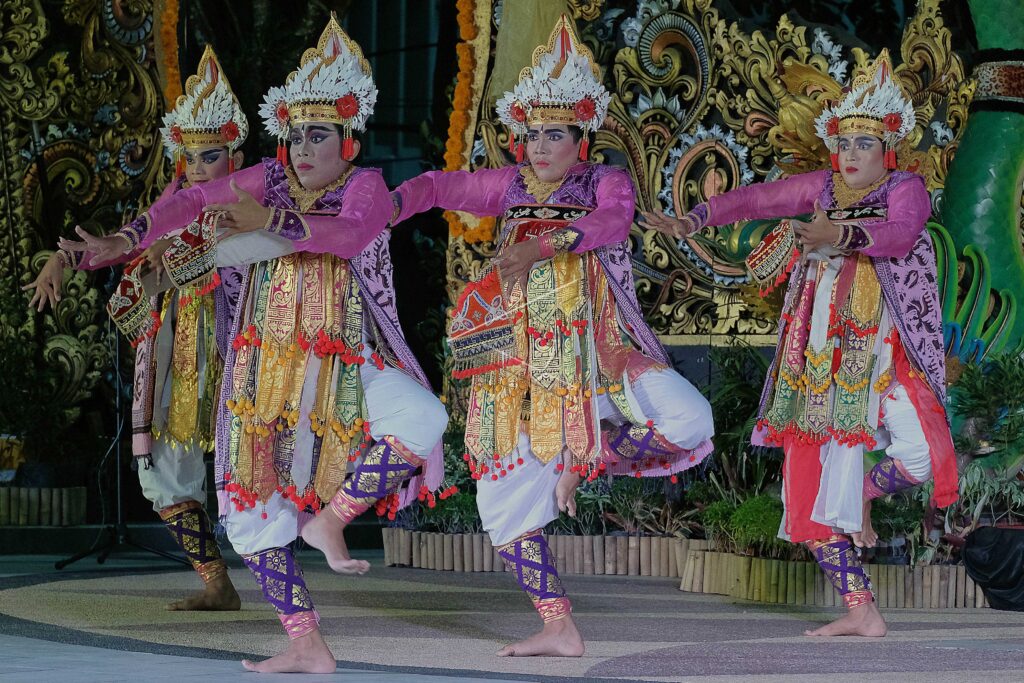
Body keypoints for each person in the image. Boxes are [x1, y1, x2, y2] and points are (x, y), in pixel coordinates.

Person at [55, 16, 448, 672]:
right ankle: (305, 640)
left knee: (422, 418)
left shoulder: (365, 187)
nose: (301, 147)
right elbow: (194, 201)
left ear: (349, 142)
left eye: (317, 134)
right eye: (294, 134)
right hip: (262, 376)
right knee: (247, 518)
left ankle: (335, 516)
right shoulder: (268, 181)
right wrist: (125, 241)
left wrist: (270, 218)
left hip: (341, 368)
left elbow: (346, 237)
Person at [391, 14, 714, 657]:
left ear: (581, 136)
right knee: (501, 511)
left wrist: (543, 245)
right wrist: (387, 204)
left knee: (691, 417)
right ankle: (558, 625)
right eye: (532, 133)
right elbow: (436, 186)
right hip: (521, 371)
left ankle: (586, 457)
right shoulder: (509, 185)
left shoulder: (604, 182)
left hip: (599, 357)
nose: (539, 146)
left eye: (555, 134)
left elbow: (613, 223)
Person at [640, 49, 958, 637]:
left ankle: (862, 495)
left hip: (887, 364)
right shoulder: (821, 188)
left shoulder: (904, 188)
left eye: (865, 143)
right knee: (809, 495)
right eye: (844, 142)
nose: (852, 154)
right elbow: (758, 199)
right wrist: (697, 218)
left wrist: (838, 232)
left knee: (920, 457)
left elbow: (901, 234)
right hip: (819, 372)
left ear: (889, 147)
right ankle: (861, 612)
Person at [24, 46, 248, 612]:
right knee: (167, 478)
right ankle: (216, 582)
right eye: (190, 158)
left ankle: (295, 603)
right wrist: (66, 258)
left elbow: (207, 253)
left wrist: (169, 258)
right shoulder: (175, 203)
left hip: (240, 352)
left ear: (236, 155)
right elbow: (125, 241)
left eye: (211, 156)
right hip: (174, 353)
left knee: (249, 477)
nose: (199, 169)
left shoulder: (253, 199)